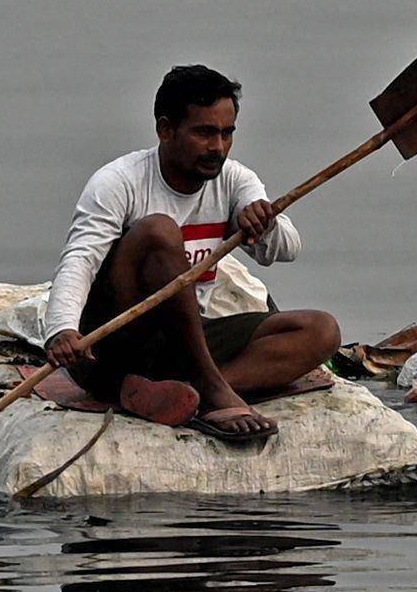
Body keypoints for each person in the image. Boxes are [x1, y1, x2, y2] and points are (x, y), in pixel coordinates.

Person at [37, 64, 344, 446]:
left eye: (227, 133)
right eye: (204, 133)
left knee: (320, 330)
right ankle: (200, 386)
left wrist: (264, 223)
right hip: (115, 344)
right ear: (166, 130)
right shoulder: (118, 182)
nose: (218, 147)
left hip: (186, 340)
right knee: (158, 231)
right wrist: (62, 329)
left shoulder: (235, 180)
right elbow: (79, 259)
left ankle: (190, 392)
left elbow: (287, 250)